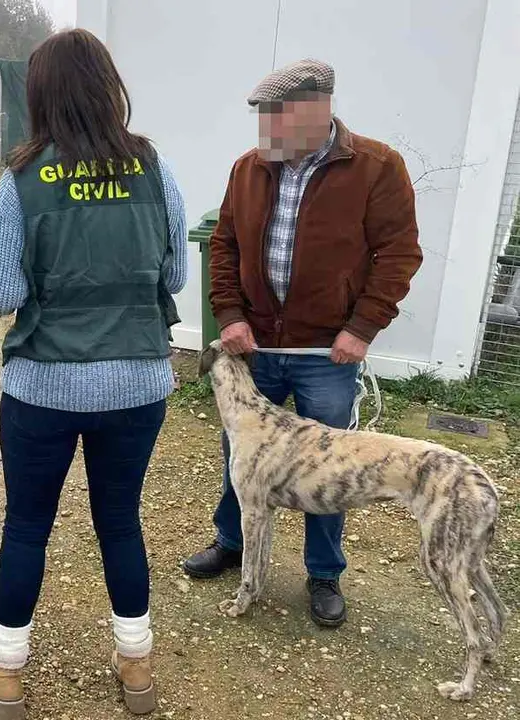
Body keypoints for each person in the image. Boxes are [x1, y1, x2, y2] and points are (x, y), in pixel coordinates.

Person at [0, 29, 188, 719]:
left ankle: (6, 673)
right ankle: (136, 664)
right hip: (137, 384)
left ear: (40, 96)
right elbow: (177, 272)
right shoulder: (153, 168)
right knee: (120, 522)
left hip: (44, 386)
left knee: (27, 525)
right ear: (107, 85)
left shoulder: (23, 176)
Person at [182, 58, 423, 628]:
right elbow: (225, 248)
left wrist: (362, 327)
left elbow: (399, 253)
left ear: (316, 110)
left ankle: (323, 573)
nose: (265, 133)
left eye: (274, 118)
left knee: (330, 470)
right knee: (240, 456)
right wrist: (229, 315)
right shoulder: (248, 168)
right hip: (257, 349)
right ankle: (232, 542)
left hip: (325, 355)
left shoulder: (377, 167)